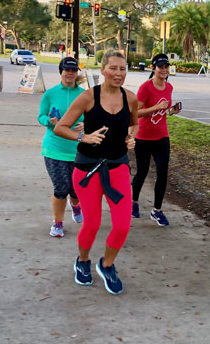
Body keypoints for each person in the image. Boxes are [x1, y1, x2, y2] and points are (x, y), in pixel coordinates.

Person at [54, 50, 138, 295]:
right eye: (113, 68)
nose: (118, 73)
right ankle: (82, 261)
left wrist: (130, 137)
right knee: (92, 223)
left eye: (123, 69)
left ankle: (107, 264)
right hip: (87, 169)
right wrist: (83, 136)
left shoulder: (130, 98)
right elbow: (61, 127)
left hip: (117, 166)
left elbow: (133, 123)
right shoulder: (88, 97)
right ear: (103, 70)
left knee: (122, 225)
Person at [38, 57, 85, 237]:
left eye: (74, 71)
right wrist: (48, 121)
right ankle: (57, 223)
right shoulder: (50, 94)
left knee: (75, 189)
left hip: (77, 150)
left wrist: (86, 125)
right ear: (61, 72)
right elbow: (41, 116)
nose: (70, 74)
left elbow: (92, 116)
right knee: (61, 187)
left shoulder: (83, 94)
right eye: (67, 70)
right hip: (54, 148)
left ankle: (75, 205)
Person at [131, 54, 180, 226]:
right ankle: (134, 201)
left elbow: (163, 111)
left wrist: (171, 111)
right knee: (142, 172)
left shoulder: (169, 87)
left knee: (162, 173)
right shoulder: (146, 87)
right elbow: (135, 112)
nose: (164, 70)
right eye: (160, 67)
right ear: (153, 69)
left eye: (166, 67)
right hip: (143, 137)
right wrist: (154, 108)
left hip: (162, 136)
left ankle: (157, 210)